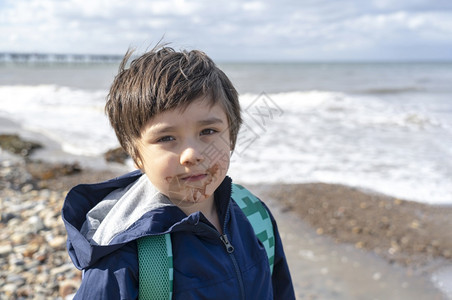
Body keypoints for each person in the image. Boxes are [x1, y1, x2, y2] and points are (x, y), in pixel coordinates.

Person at [62, 45, 295, 299]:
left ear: (231, 138)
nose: (192, 154)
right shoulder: (123, 253)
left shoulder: (254, 215)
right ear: (137, 155)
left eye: (208, 131)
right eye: (167, 137)